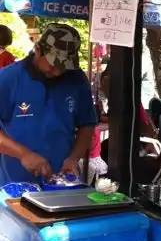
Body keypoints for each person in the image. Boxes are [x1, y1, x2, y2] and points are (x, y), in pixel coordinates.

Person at [0, 23, 96, 185]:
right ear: (38, 49)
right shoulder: (8, 78)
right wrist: (23, 154)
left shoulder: (77, 79)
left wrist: (74, 157)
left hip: (61, 183)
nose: (58, 71)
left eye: (64, 66)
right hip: (13, 186)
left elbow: (87, 125)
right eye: (53, 64)